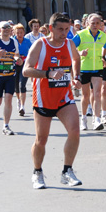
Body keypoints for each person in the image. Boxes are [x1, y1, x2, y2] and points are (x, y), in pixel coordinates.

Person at [23, 12, 83, 189]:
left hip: (64, 97)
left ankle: (67, 171)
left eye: (67, 29)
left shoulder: (69, 43)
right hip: (43, 98)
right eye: (60, 29)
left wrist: (76, 77)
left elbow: (76, 58)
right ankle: (37, 172)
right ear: (51, 28)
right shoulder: (40, 45)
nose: (64, 33)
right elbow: (26, 70)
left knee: (75, 131)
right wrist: (48, 74)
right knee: (41, 140)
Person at [72, 13, 106, 131]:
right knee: (86, 95)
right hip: (84, 68)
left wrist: (102, 56)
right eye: (93, 23)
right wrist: (80, 53)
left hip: (97, 68)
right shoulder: (81, 35)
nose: (95, 25)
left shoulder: (103, 36)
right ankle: (83, 119)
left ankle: (97, 120)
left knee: (97, 93)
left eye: (97, 23)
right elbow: (71, 48)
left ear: (100, 24)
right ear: (87, 23)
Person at [14, 23, 32, 116]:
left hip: (25, 64)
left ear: (24, 33)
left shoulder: (27, 41)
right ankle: (18, 100)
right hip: (15, 64)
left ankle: (22, 106)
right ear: (14, 33)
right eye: (17, 33)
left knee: (22, 85)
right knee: (16, 86)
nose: (19, 35)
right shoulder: (12, 41)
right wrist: (16, 58)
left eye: (21, 32)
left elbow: (33, 51)